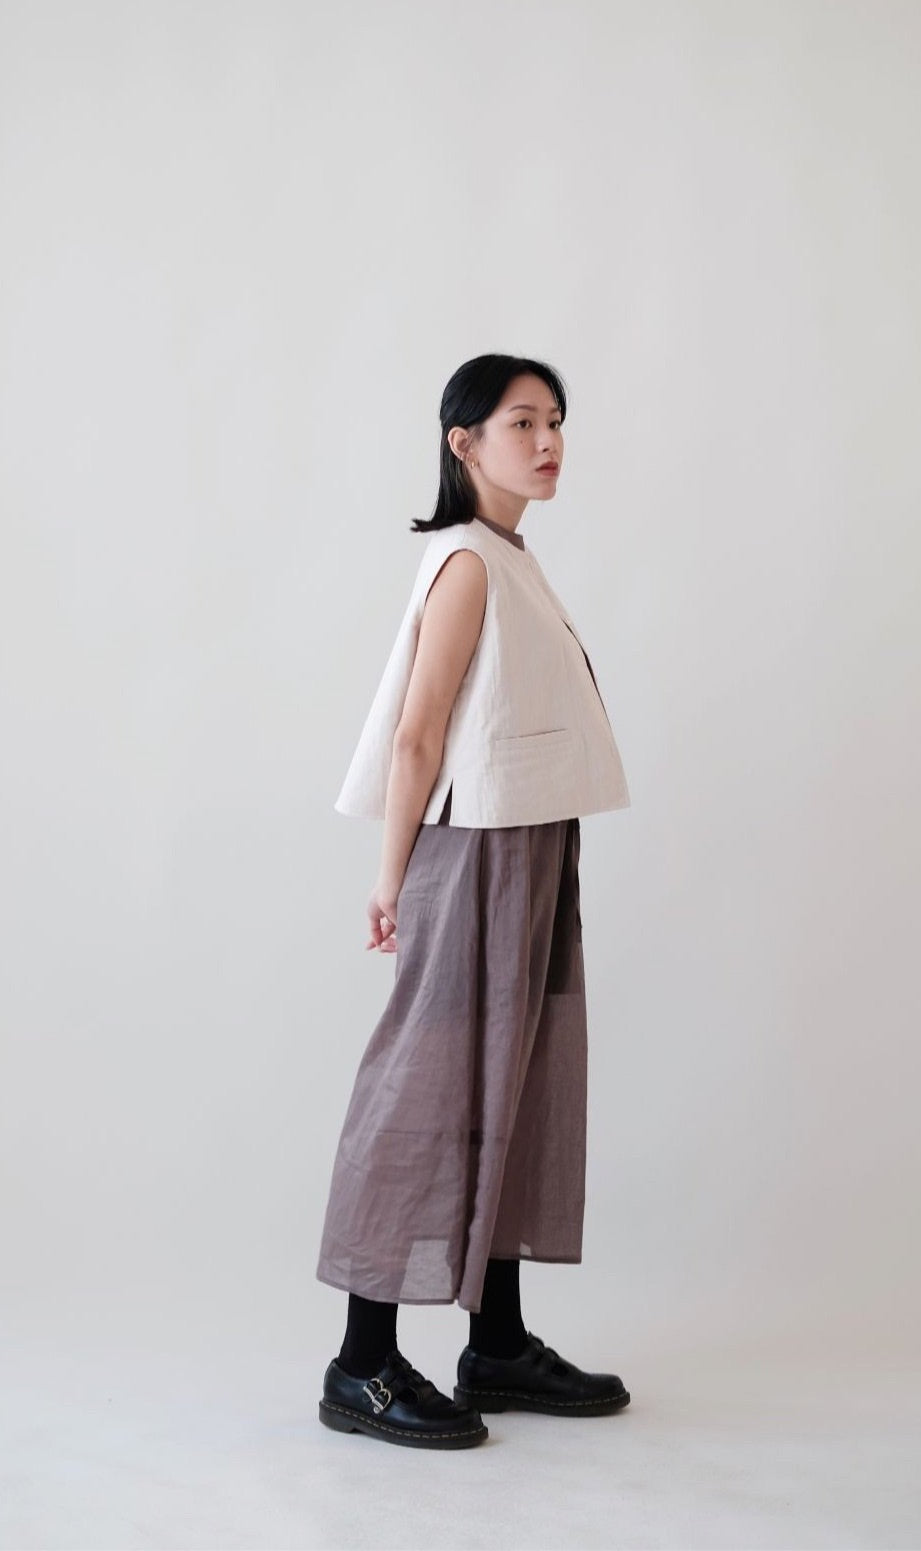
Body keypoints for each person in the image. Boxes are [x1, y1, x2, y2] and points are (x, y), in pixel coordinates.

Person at [315, 353, 633, 1450]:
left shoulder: (510, 557)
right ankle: (361, 1363)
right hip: (475, 853)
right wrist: (390, 879)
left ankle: (494, 1342)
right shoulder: (464, 562)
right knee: (426, 1088)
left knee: (517, 1078)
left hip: (533, 843)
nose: (547, 443)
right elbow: (417, 734)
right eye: (521, 422)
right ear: (464, 443)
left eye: (555, 422)